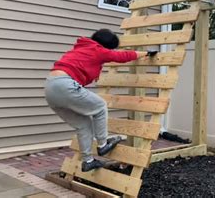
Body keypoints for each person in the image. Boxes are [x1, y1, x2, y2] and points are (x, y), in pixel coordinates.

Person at [44, 29, 156, 172]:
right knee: (100, 106)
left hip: (50, 89)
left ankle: (88, 161)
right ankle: (103, 144)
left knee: (83, 124)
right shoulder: (97, 49)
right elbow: (121, 56)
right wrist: (145, 53)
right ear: (105, 45)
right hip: (64, 84)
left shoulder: (82, 48)